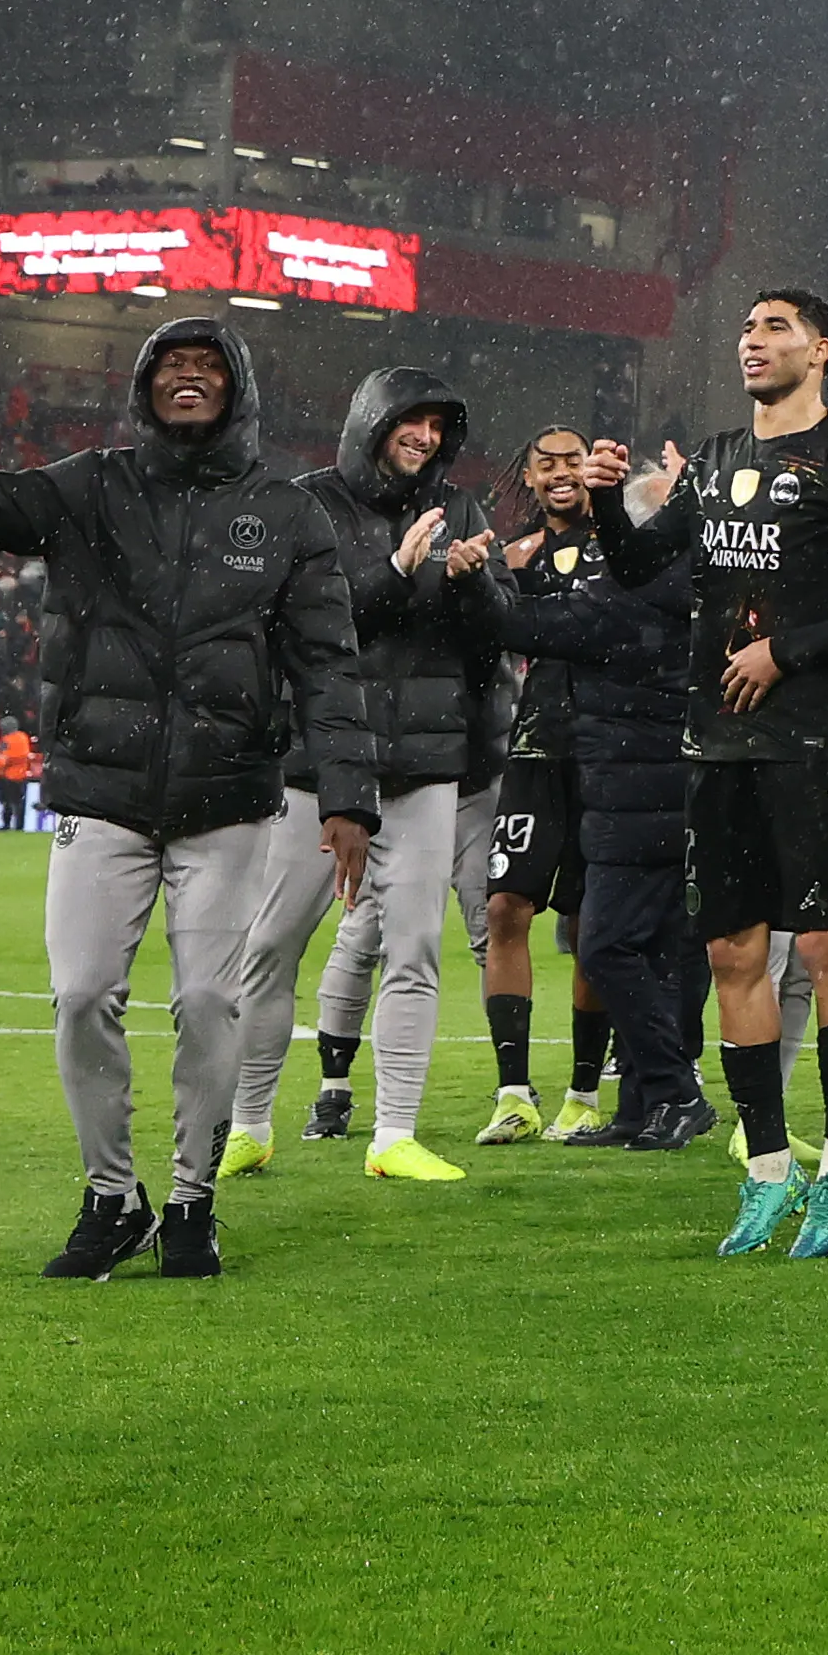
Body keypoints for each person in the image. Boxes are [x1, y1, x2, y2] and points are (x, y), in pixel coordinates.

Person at [0, 278, 357, 1280]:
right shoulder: (87, 485)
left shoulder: (285, 510)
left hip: (229, 798)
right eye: (169, 368)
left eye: (207, 368)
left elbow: (329, 662)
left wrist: (350, 797)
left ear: (238, 392)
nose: (186, 379)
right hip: (101, 790)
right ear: (143, 389)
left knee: (208, 1002)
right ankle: (114, 1197)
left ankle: (192, 1202)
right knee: (80, 995)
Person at [589, 289, 828, 1257]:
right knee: (733, 954)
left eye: (775, 327)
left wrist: (789, 650)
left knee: (826, 948)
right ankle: (768, 1171)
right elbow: (641, 567)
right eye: (746, 328)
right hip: (714, 742)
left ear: (822, 349)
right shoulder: (714, 461)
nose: (753, 341)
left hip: (814, 739)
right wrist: (612, 502)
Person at [228, 370, 499, 1187]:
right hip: (316, 763)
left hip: (423, 763)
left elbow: (496, 632)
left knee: (414, 949)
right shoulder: (306, 504)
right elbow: (294, 626)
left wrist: (472, 583)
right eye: (408, 423)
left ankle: (395, 1134)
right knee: (271, 948)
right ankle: (246, 1123)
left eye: (435, 427)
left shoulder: (461, 509)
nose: (423, 439)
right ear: (370, 423)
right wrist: (394, 573)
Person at [497, 444, 706, 1148]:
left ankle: (675, 1092)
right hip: (677, 794)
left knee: (609, 948)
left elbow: (523, 626)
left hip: (626, 799)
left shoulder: (621, 598)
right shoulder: (693, 590)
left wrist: (469, 585)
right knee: (659, 949)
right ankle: (641, 1108)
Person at [471, 429, 611, 1143]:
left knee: (594, 924)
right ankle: (513, 1093)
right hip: (532, 751)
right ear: (528, 477)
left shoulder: (624, 545)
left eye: (572, 461)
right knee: (504, 909)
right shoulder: (511, 558)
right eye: (546, 463)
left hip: (608, 751)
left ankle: (584, 1095)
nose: (561, 473)